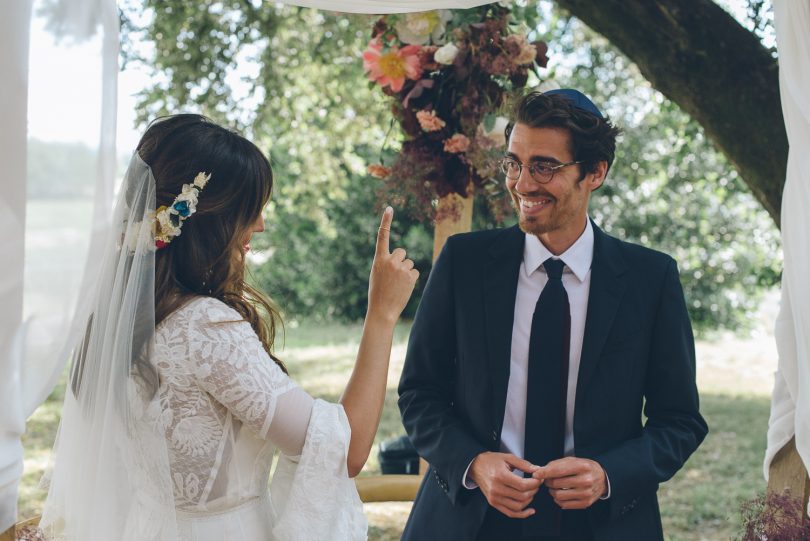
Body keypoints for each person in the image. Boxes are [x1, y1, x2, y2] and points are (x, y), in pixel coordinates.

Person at [39, 114, 418, 541]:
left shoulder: (116, 320)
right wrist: (382, 314)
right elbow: (342, 451)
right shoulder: (203, 328)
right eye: (249, 210)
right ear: (208, 219)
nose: (260, 225)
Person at [398, 89, 708, 541]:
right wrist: (474, 463)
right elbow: (419, 392)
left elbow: (680, 420)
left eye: (544, 166)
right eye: (514, 163)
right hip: (470, 519)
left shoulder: (651, 278)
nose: (522, 184)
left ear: (595, 173)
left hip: (599, 525)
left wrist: (608, 475)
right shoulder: (463, 263)